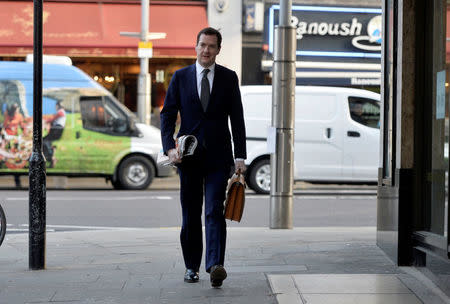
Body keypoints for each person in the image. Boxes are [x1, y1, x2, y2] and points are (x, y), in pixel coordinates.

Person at [160, 27, 247, 288]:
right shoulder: (180, 77)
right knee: (190, 215)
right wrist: (169, 148)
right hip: (188, 159)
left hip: (219, 158)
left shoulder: (229, 78)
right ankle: (191, 266)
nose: (206, 50)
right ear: (195, 47)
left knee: (213, 211)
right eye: (202, 45)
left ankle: (215, 265)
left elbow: (237, 120)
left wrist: (240, 156)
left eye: (211, 46)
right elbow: (167, 115)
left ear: (218, 50)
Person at [43, 101, 66, 168]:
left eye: (56, 106)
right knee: (44, 141)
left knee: (45, 142)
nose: (55, 107)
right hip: (56, 130)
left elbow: (52, 118)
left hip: (57, 130)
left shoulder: (61, 112)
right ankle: (50, 157)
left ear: (58, 106)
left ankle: (52, 158)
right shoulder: (61, 112)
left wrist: (45, 122)